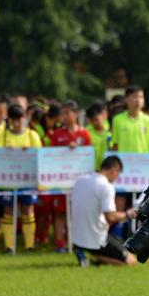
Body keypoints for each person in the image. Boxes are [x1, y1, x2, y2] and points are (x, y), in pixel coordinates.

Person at [70, 156, 136, 267]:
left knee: (119, 243)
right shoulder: (106, 187)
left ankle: (81, 249)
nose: (116, 177)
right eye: (118, 174)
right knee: (131, 261)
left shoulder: (80, 180)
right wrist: (128, 214)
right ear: (114, 170)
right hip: (96, 238)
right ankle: (91, 258)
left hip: (77, 236)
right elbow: (110, 217)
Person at [0, 104, 42, 252]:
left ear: (25, 118)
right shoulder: (3, 136)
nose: (17, 123)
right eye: (14, 119)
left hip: (27, 179)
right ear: (9, 120)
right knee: (8, 210)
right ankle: (9, 246)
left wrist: (28, 152)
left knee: (28, 210)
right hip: (8, 179)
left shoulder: (32, 135)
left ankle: (29, 245)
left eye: (20, 119)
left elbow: (40, 156)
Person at [49, 100, 92, 253]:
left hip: (79, 181)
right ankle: (60, 243)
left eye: (68, 113)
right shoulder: (57, 134)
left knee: (76, 212)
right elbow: (51, 156)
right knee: (60, 212)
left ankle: (75, 242)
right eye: (63, 113)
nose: (65, 116)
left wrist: (78, 149)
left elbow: (88, 155)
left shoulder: (84, 133)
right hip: (61, 180)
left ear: (75, 114)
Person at [111, 85, 149, 153]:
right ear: (126, 99)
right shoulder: (117, 120)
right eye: (135, 96)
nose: (138, 100)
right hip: (123, 162)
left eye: (141, 97)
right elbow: (115, 145)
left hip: (144, 162)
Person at [85, 102, 111, 171]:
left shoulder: (111, 131)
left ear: (104, 115)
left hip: (107, 170)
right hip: (91, 170)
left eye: (96, 119)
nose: (94, 123)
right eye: (91, 121)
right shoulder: (86, 132)